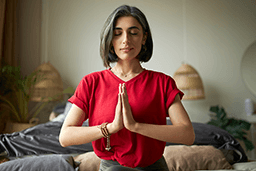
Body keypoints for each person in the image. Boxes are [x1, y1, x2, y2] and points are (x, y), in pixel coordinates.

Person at [59, 5, 195, 171]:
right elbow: (65, 137)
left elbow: (187, 135)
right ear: (110, 40)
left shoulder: (163, 82)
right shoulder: (91, 82)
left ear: (144, 38)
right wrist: (111, 128)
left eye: (133, 32)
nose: (126, 40)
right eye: (118, 34)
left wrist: (135, 126)